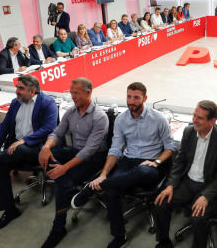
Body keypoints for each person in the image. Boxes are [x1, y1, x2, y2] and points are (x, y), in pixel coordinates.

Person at [71, 82, 176, 248]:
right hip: (128, 161)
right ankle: (120, 237)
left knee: (144, 171)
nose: (131, 101)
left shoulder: (158, 119)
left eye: (136, 97)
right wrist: (104, 174)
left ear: (145, 98)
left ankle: (93, 188)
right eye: (129, 96)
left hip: (151, 163)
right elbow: (115, 149)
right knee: (112, 191)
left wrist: (156, 161)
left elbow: (170, 148)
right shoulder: (121, 119)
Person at [0, 75, 57, 230]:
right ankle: (10, 210)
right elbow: (4, 127)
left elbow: (49, 129)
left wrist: (24, 140)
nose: (17, 91)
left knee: (18, 149)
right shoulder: (16, 103)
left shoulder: (48, 103)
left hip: (37, 148)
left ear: (32, 91)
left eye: (21, 88)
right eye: (17, 87)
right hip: (14, 149)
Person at [39, 78, 109, 248]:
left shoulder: (100, 117)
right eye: (71, 93)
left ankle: (58, 228)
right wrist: (46, 147)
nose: (72, 97)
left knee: (62, 179)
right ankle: (69, 190)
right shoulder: (71, 112)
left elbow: (89, 150)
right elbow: (58, 132)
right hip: (75, 152)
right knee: (46, 154)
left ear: (88, 93)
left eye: (76, 93)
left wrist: (65, 167)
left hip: (94, 158)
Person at [154, 100, 217, 248]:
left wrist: (206, 196)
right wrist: (170, 185)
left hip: (208, 186)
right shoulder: (189, 132)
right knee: (161, 204)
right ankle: (164, 241)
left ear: (212, 121)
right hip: (188, 182)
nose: (194, 120)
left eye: (200, 118)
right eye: (194, 115)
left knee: (198, 218)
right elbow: (180, 161)